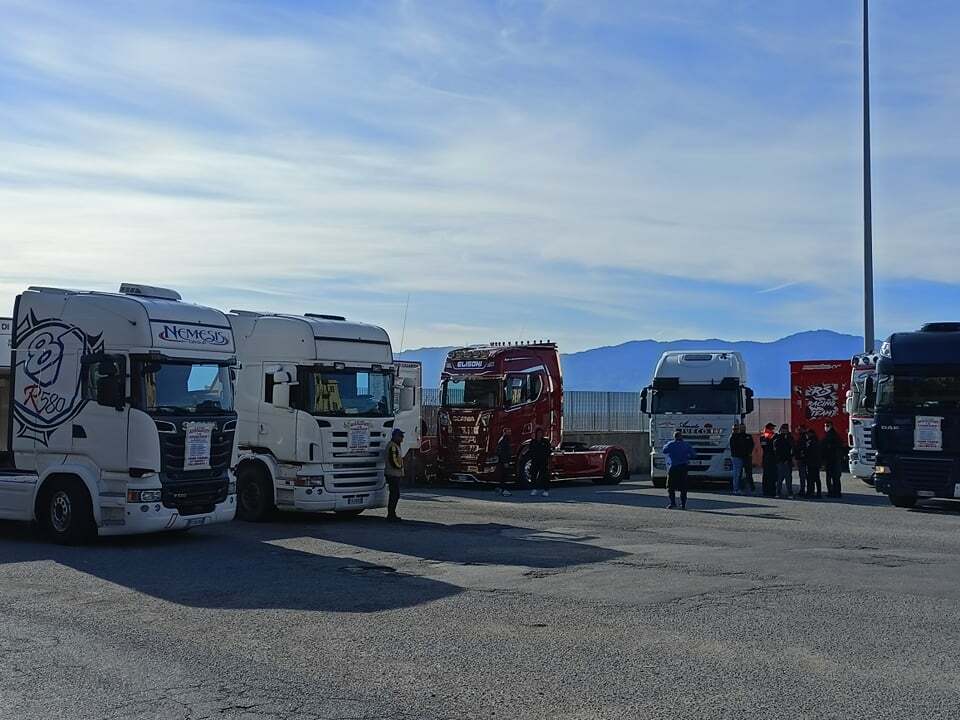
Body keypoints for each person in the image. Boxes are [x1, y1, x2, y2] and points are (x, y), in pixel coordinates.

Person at [662, 429, 697, 509]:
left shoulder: (670, 444)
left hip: (673, 467)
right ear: (681, 437)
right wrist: (687, 457)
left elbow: (664, 451)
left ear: (674, 437)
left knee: (670, 486)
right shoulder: (686, 445)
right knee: (683, 487)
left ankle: (672, 503)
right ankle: (683, 504)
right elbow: (694, 455)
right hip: (683, 467)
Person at [384, 428, 404, 521]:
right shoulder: (392, 446)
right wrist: (400, 467)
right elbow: (393, 461)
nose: (402, 438)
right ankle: (391, 514)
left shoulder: (395, 445)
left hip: (394, 473)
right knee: (394, 495)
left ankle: (392, 514)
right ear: (395, 436)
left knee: (395, 494)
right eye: (400, 436)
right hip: (393, 474)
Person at [821, 420, 844, 498]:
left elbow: (825, 447)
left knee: (830, 477)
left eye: (827, 426)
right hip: (835, 459)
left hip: (831, 460)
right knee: (836, 477)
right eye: (825, 425)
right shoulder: (835, 435)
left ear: (831, 426)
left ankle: (831, 492)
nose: (826, 427)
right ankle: (837, 492)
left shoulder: (830, 436)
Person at [729, 424, 754, 495]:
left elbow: (751, 445)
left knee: (748, 473)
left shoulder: (748, 436)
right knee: (737, 474)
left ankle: (751, 488)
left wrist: (749, 453)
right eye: (741, 428)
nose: (742, 429)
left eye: (744, 428)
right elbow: (734, 447)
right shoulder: (734, 436)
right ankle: (736, 489)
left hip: (746, 457)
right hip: (737, 457)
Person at [528, 427, 552, 497]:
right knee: (533, 475)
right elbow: (530, 451)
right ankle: (534, 489)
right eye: (538, 433)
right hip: (535, 461)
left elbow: (548, 451)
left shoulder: (545, 442)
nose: (539, 434)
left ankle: (546, 490)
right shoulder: (533, 442)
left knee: (544, 476)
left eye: (540, 433)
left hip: (543, 461)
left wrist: (547, 458)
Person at [773, 423, 795, 499]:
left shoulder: (790, 438)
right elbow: (776, 450)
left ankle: (790, 493)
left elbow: (792, 448)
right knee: (780, 478)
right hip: (780, 461)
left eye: (786, 429)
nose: (785, 430)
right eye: (783, 429)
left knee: (788, 478)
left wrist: (790, 458)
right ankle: (778, 492)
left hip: (787, 461)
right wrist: (779, 459)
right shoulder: (778, 438)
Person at [760, 423, 778, 497]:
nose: (773, 430)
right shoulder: (766, 436)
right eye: (772, 428)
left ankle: (768, 491)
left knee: (769, 475)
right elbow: (766, 446)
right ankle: (769, 491)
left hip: (769, 457)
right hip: (769, 457)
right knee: (770, 476)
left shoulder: (766, 436)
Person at [803, 429, 822, 498]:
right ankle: (818, 493)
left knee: (810, 479)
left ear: (810, 434)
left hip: (811, 462)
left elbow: (808, 452)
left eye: (807, 434)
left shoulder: (810, 442)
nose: (806, 435)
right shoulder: (817, 441)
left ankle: (810, 492)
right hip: (816, 462)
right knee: (817, 478)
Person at [495, 428, 512, 497]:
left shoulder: (503, 439)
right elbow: (502, 452)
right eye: (508, 431)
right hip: (504, 461)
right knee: (504, 476)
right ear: (504, 432)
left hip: (502, 461)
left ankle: (500, 489)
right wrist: (505, 462)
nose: (510, 432)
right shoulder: (504, 440)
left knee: (503, 476)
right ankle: (504, 490)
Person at [794, 426, 809, 497]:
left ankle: (803, 490)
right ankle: (805, 490)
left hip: (802, 459)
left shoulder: (802, 438)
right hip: (803, 458)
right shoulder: (805, 437)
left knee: (803, 476)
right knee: (804, 476)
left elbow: (799, 448)